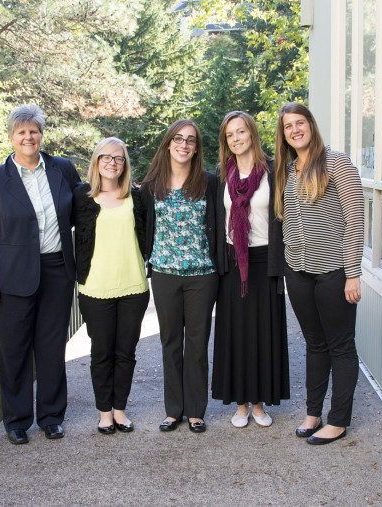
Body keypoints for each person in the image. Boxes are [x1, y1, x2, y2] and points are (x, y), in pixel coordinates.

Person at [0, 104, 80, 445]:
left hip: (56, 272)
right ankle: (17, 420)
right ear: (11, 137)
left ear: (41, 134)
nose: (28, 137)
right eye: (21, 132)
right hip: (11, 279)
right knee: (14, 349)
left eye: (33, 131)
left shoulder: (62, 169)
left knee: (51, 348)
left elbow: (84, 211)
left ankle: (51, 417)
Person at [273, 102, 364, 445]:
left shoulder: (337, 163)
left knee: (340, 345)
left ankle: (338, 420)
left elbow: (355, 221)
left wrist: (353, 272)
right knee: (314, 343)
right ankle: (313, 413)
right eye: (287, 127)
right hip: (298, 270)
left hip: (335, 271)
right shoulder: (288, 169)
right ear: (283, 134)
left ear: (311, 125)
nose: (294, 130)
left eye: (300, 123)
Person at [211, 111, 290, 428]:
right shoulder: (221, 175)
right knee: (235, 334)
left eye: (240, 132)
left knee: (262, 333)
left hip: (264, 262)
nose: (236, 138)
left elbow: (283, 217)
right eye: (230, 135)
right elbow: (216, 222)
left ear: (252, 134)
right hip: (232, 263)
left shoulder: (272, 171)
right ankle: (241, 404)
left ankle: (259, 403)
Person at [141, 119, 218, 433]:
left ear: (196, 147)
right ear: (168, 144)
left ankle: (196, 411)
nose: (184, 145)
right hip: (164, 274)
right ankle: (174, 410)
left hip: (202, 275)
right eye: (178, 139)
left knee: (197, 345)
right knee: (170, 342)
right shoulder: (151, 186)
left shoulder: (210, 183)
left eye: (191, 140)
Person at [73, 137, 150, 435]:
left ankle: (120, 410)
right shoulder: (81, 197)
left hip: (133, 286)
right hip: (95, 289)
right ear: (96, 161)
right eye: (105, 157)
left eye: (118, 158)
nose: (112, 162)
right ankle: (105, 413)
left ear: (125, 164)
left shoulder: (137, 197)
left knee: (126, 352)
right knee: (102, 352)